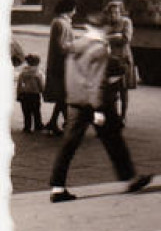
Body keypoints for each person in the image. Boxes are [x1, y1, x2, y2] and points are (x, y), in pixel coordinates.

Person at [48, 12, 153, 203]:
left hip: (75, 100)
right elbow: (97, 81)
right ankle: (130, 178)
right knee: (114, 140)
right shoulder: (99, 49)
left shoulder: (75, 46)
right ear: (104, 28)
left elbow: (72, 75)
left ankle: (57, 187)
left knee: (68, 145)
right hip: (95, 103)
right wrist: (98, 109)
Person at [42, 0, 76, 135]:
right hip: (61, 64)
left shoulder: (61, 22)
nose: (75, 11)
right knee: (63, 95)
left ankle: (54, 122)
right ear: (69, 9)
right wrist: (75, 47)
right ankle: (65, 122)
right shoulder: (61, 23)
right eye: (74, 8)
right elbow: (61, 46)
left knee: (63, 95)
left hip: (61, 63)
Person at [103, 0, 136, 123]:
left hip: (123, 58)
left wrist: (109, 37)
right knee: (110, 91)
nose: (113, 15)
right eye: (111, 13)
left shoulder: (126, 22)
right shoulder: (106, 24)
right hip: (108, 60)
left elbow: (126, 38)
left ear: (121, 12)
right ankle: (112, 115)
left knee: (123, 89)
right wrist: (115, 36)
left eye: (116, 12)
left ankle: (123, 115)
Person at [17, 53, 44, 133]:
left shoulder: (23, 73)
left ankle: (27, 126)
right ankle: (38, 125)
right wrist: (42, 91)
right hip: (34, 94)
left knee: (26, 112)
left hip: (24, 94)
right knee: (36, 111)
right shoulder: (38, 73)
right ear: (37, 63)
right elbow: (41, 84)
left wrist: (18, 94)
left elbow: (20, 84)